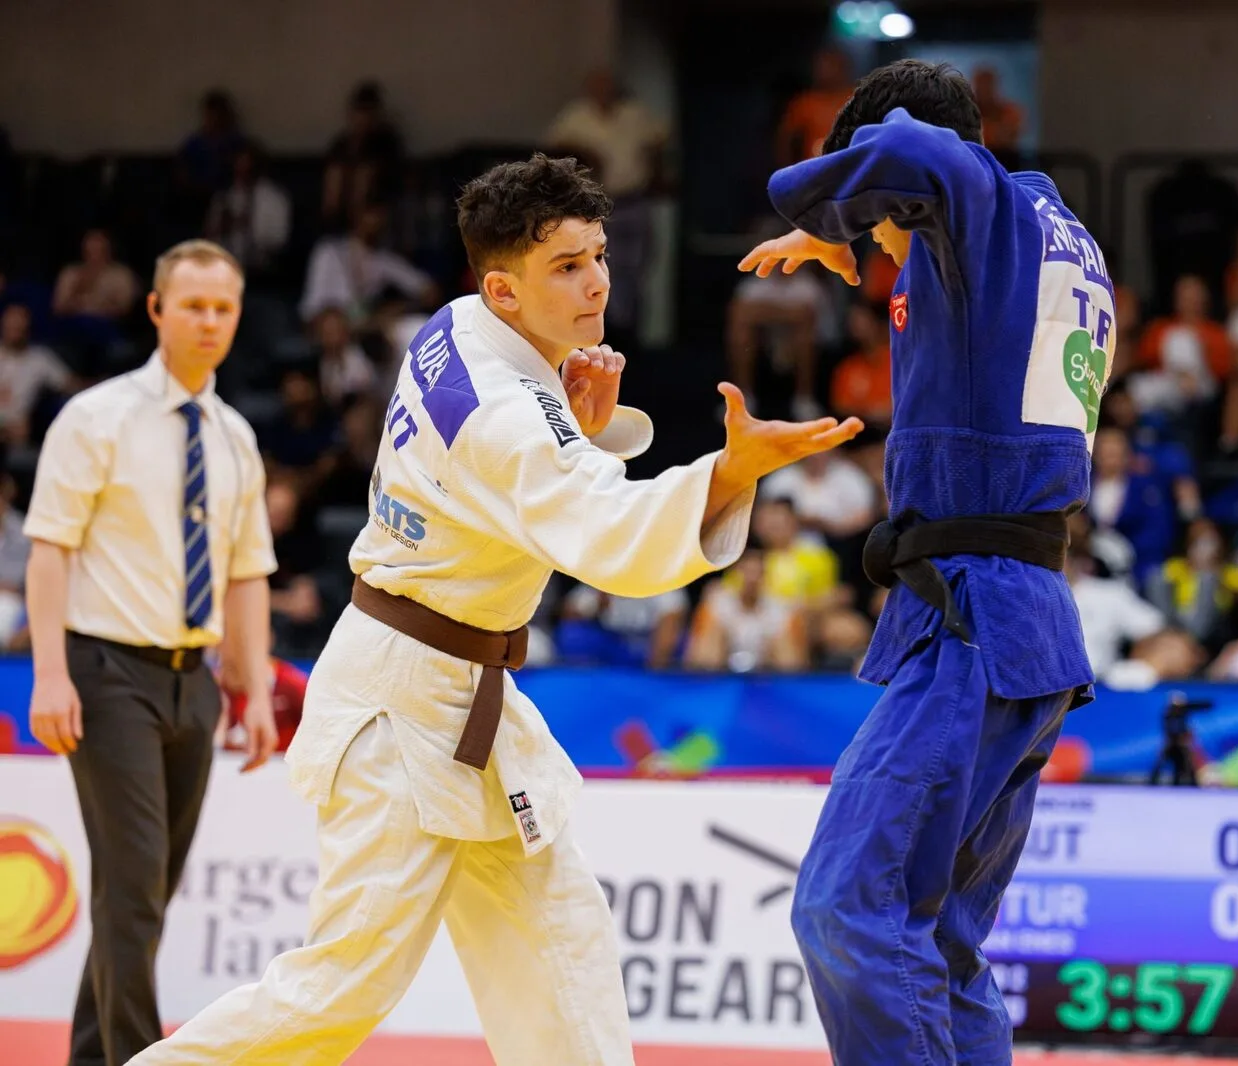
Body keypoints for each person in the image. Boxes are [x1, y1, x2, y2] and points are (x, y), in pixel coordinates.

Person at [129, 154, 861, 1065]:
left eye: (596, 255)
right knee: (341, 987)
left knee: (562, 947)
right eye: (567, 267)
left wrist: (575, 415)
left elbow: (529, 470)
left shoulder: (455, 327)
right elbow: (597, 531)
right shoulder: (504, 416)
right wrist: (730, 469)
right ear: (504, 289)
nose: (596, 280)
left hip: (457, 688)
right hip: (402, 710)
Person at [739, 59, 1112, 1066]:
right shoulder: (1064, 244)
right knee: (939, 944)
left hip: (976, 623)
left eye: (889, 226)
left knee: (844, 907)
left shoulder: (983, 207)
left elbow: (914, 151)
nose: (884, 250)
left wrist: (828, 208)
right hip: (1019, 622)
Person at [24, 239, 279, 1066]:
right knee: (133, 889)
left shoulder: (236, 436)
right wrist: (51, 674)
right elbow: (49, 550)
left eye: (224, 308)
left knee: (148, 894)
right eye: (194, 305)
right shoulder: (95, 417)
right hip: (105, 675)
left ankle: (94, 1058)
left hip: (191, 683)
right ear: (157, 310)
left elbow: (246, 574)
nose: (210, 321)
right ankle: (140, 1059)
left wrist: (253, 688)